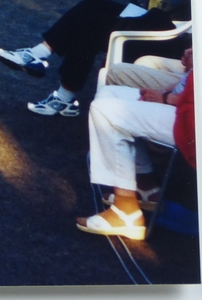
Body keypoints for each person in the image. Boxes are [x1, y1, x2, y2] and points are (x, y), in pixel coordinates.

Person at [0, 0, 190, 116]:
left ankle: (43, 63)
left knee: (91, 21)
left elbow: (172, 9)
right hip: (162, 23)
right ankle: (57, 86)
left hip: (174, 35)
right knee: (92, 9)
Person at [75, 52, 194, 241]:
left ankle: (126, 212)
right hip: (187, 100)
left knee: (104, 111)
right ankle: (145, 187)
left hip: (193, 121)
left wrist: (167, 98)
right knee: (108, 93)